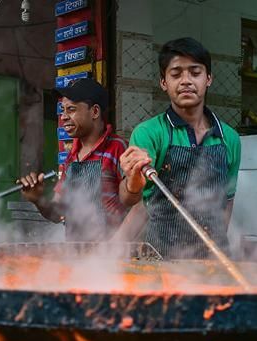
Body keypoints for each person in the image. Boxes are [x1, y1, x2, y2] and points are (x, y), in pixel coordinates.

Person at [117, 37, 241, 258]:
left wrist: (217, 247)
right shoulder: (149, 133)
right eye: (176, 74)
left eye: (195, 72)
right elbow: (129, 199)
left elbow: (227, 201)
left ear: (208, 79)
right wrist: (133, 182)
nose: (186, 81)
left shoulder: (229, 138)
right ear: (164, 82)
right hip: (161, 259)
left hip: (214, 259)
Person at [19, 78, 128, 241]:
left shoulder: (118, 148)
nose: (63, 117)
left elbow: (137, 206)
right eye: (62, 110)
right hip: (75, 257)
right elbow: (58, 214)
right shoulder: (71, 157)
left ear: (95, 112)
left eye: (71, 109)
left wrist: (117, 246)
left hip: (109, 257)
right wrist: (38, 200)